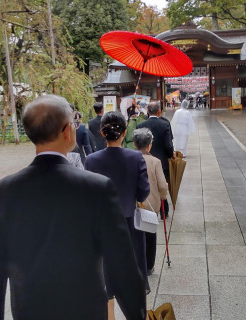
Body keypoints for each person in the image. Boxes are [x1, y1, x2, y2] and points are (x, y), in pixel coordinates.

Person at [0, 95, 147, 320]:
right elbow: (123, 265)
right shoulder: (97, 187)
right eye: (74, 123)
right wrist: (137, 314)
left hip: (28, 310)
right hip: (85, 309)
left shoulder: (3, 191)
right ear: (65, 131)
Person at [84, 111, 150, 320]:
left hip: (102, 227)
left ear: (102, 133)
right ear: (124, 132)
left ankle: (109, 317)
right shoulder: (136, 157)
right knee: (134, 273)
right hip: (130, 224)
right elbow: (143, 192)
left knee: (106, 275)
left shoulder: (92, 160)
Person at [133, 128, 168, 276]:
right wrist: (163, 196)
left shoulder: (129, 158)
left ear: (134, 144)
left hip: (132, 204)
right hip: (150, 205)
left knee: (134, 235)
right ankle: (149, 266)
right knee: (150, 235)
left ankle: (135, 264)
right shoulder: (155, 162)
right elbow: (162, 185)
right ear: (149, 146)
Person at [137, 102, 174, 219]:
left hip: (144, 160)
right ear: (159, 111)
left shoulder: (141, 125)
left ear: (148, 111)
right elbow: (168, 145)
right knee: (161, 184)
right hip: (162, 161)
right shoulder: (165, 124)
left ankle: (148, 207)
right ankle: (164, 211)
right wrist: (169, 155)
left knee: (147, 184)